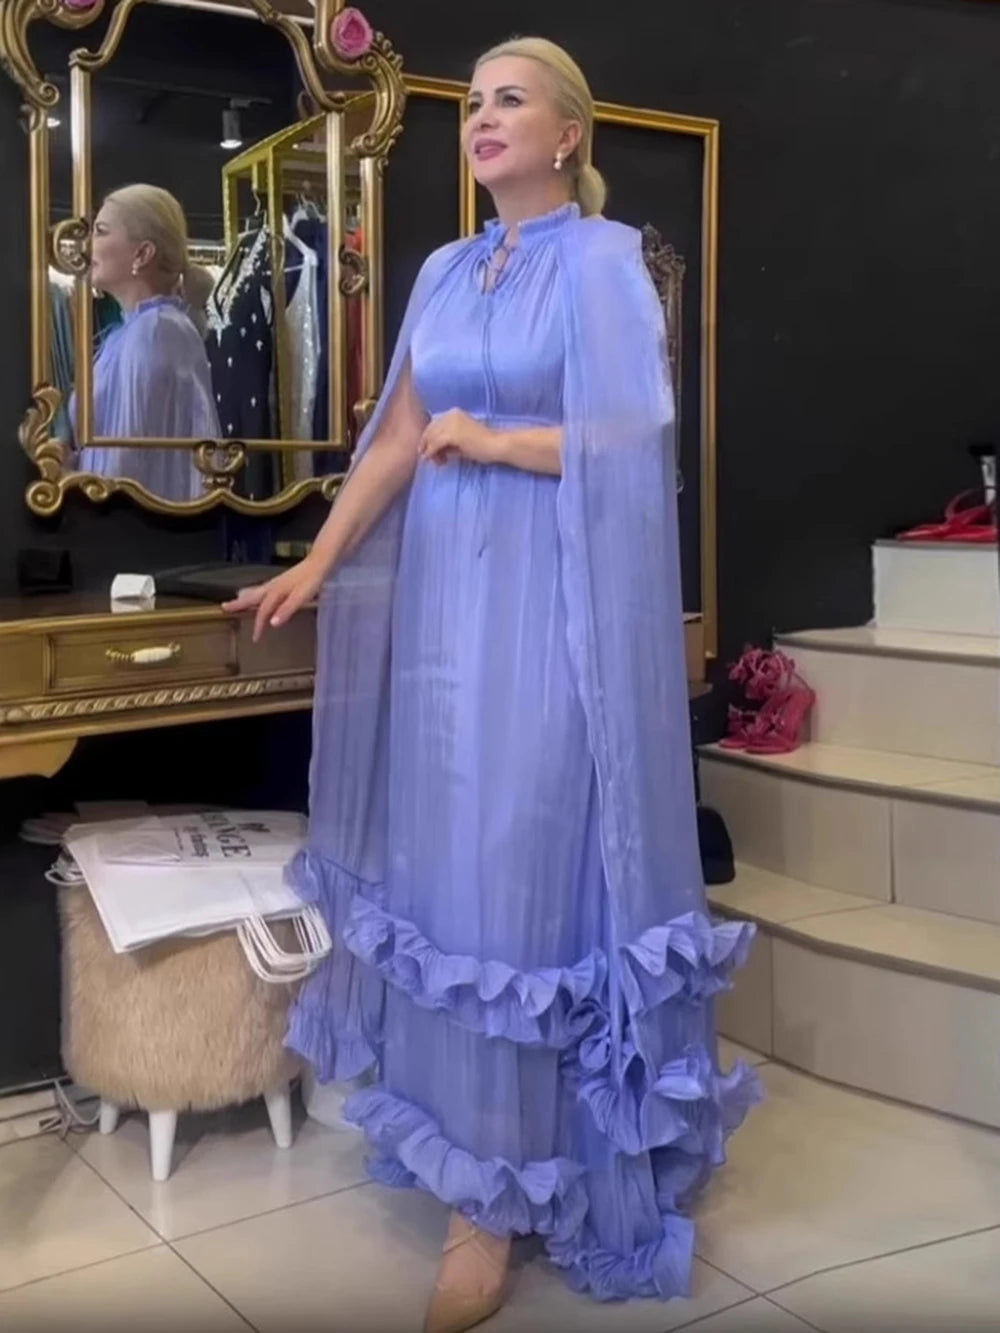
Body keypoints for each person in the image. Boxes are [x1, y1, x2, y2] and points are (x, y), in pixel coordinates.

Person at [225, 36, 759, 1333]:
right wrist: (317, 559)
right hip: (452, 623)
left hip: (559, 618)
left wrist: (496, 438)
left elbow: (633, 441)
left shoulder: (607, 262)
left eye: (509, 100)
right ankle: (477, 1163)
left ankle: (508, 1205)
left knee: (526, 876)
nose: (484, 118)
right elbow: (400, 433)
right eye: (472, 103)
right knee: (455, 872)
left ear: (569, 134)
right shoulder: (448, 270)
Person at [73, 184, 220, 501]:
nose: (88, 244)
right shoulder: (135, 331)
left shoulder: (154, 331)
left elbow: (129, 461)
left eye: (101, 231)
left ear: (142, 253)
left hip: (126, 530)